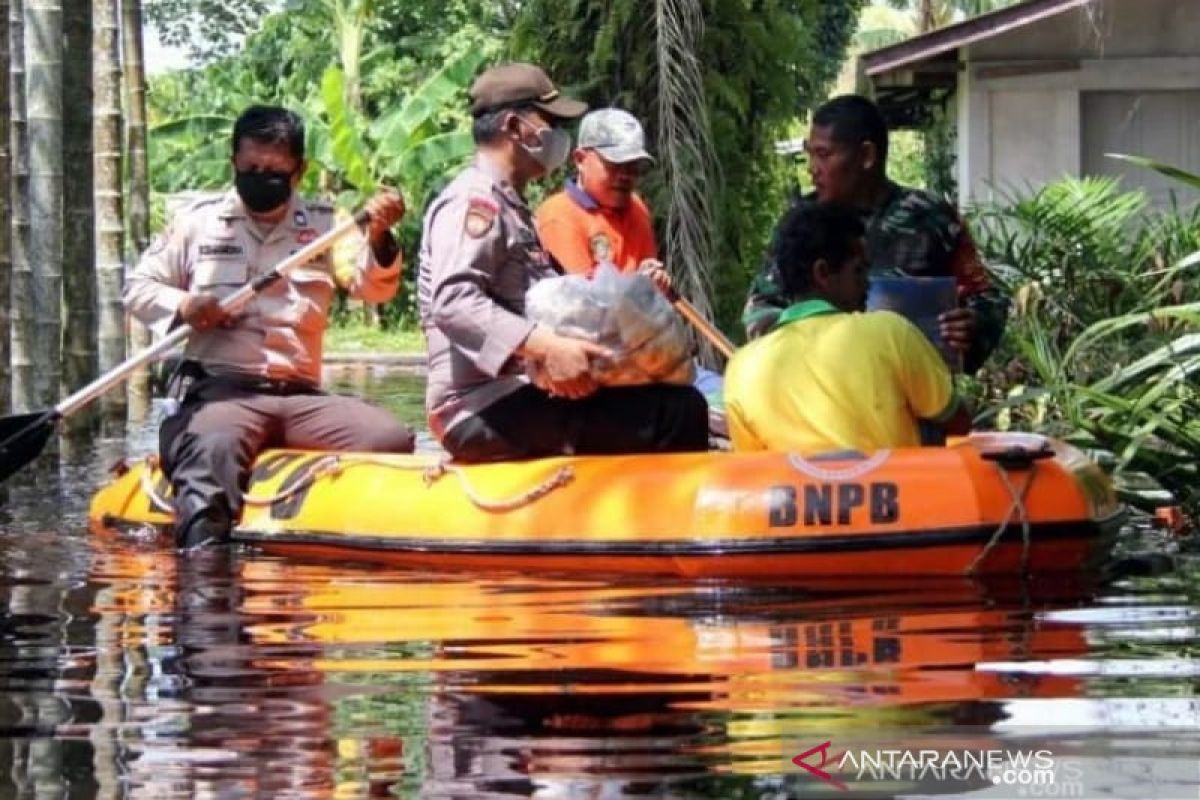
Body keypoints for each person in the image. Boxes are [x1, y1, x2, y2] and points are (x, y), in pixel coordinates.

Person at [124, 105, 415, 550]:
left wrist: (378, 236)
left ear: (299, 171)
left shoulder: (326, 225)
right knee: (212, 450)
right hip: (224, 390)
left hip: (300, 395)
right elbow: (138, 288)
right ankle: (205, 586)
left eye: (275, 170)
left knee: (390, 438)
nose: (262, 177)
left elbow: (371, 288)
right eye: (252, 168)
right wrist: (186, 305)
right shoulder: (196, 223)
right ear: (234, 163)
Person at [417, 63, 709, 462]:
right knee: (677, 413)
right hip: (477, 405)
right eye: (551, 121)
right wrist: (547, 348)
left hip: (522, 389)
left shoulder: (513, 205)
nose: (558, 134)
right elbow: (453, 303)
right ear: (516, 127)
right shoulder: (474, 202)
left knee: (675, 396)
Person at [742, 95, 1007, 374]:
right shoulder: (800, 225)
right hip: (822, 397)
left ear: (867, 156)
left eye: (823, 155)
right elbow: (759, 308)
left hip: (916, 398)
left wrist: (972, 325)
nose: (812, 168)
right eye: (810, 154)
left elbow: (987, 299)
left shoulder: (931, 218)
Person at [725, 203, 970, 455]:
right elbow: (957, 420)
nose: (868, 284)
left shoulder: (742, 368)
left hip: (791, 495)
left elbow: (753, 469)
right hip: (895, 494)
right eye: (859, 270)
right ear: (822, 273)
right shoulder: (890, 333)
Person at [534, 107, 660, 280]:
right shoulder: (559, 215)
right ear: (580, 160)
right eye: (614, 164)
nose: (625, 176)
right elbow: (583, 300)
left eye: (633, 166)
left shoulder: (636, 207)